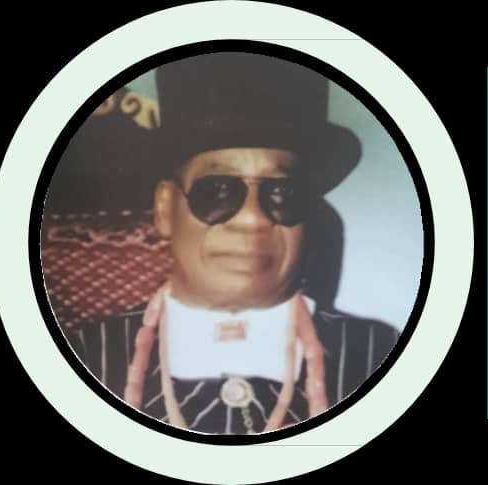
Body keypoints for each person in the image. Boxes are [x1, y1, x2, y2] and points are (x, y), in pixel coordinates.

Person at [60, 52, 400, 435]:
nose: (253, 219)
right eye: (218, 190)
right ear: (166, 209)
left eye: (282, 192)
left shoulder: (379, 356)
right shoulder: (86, 357)